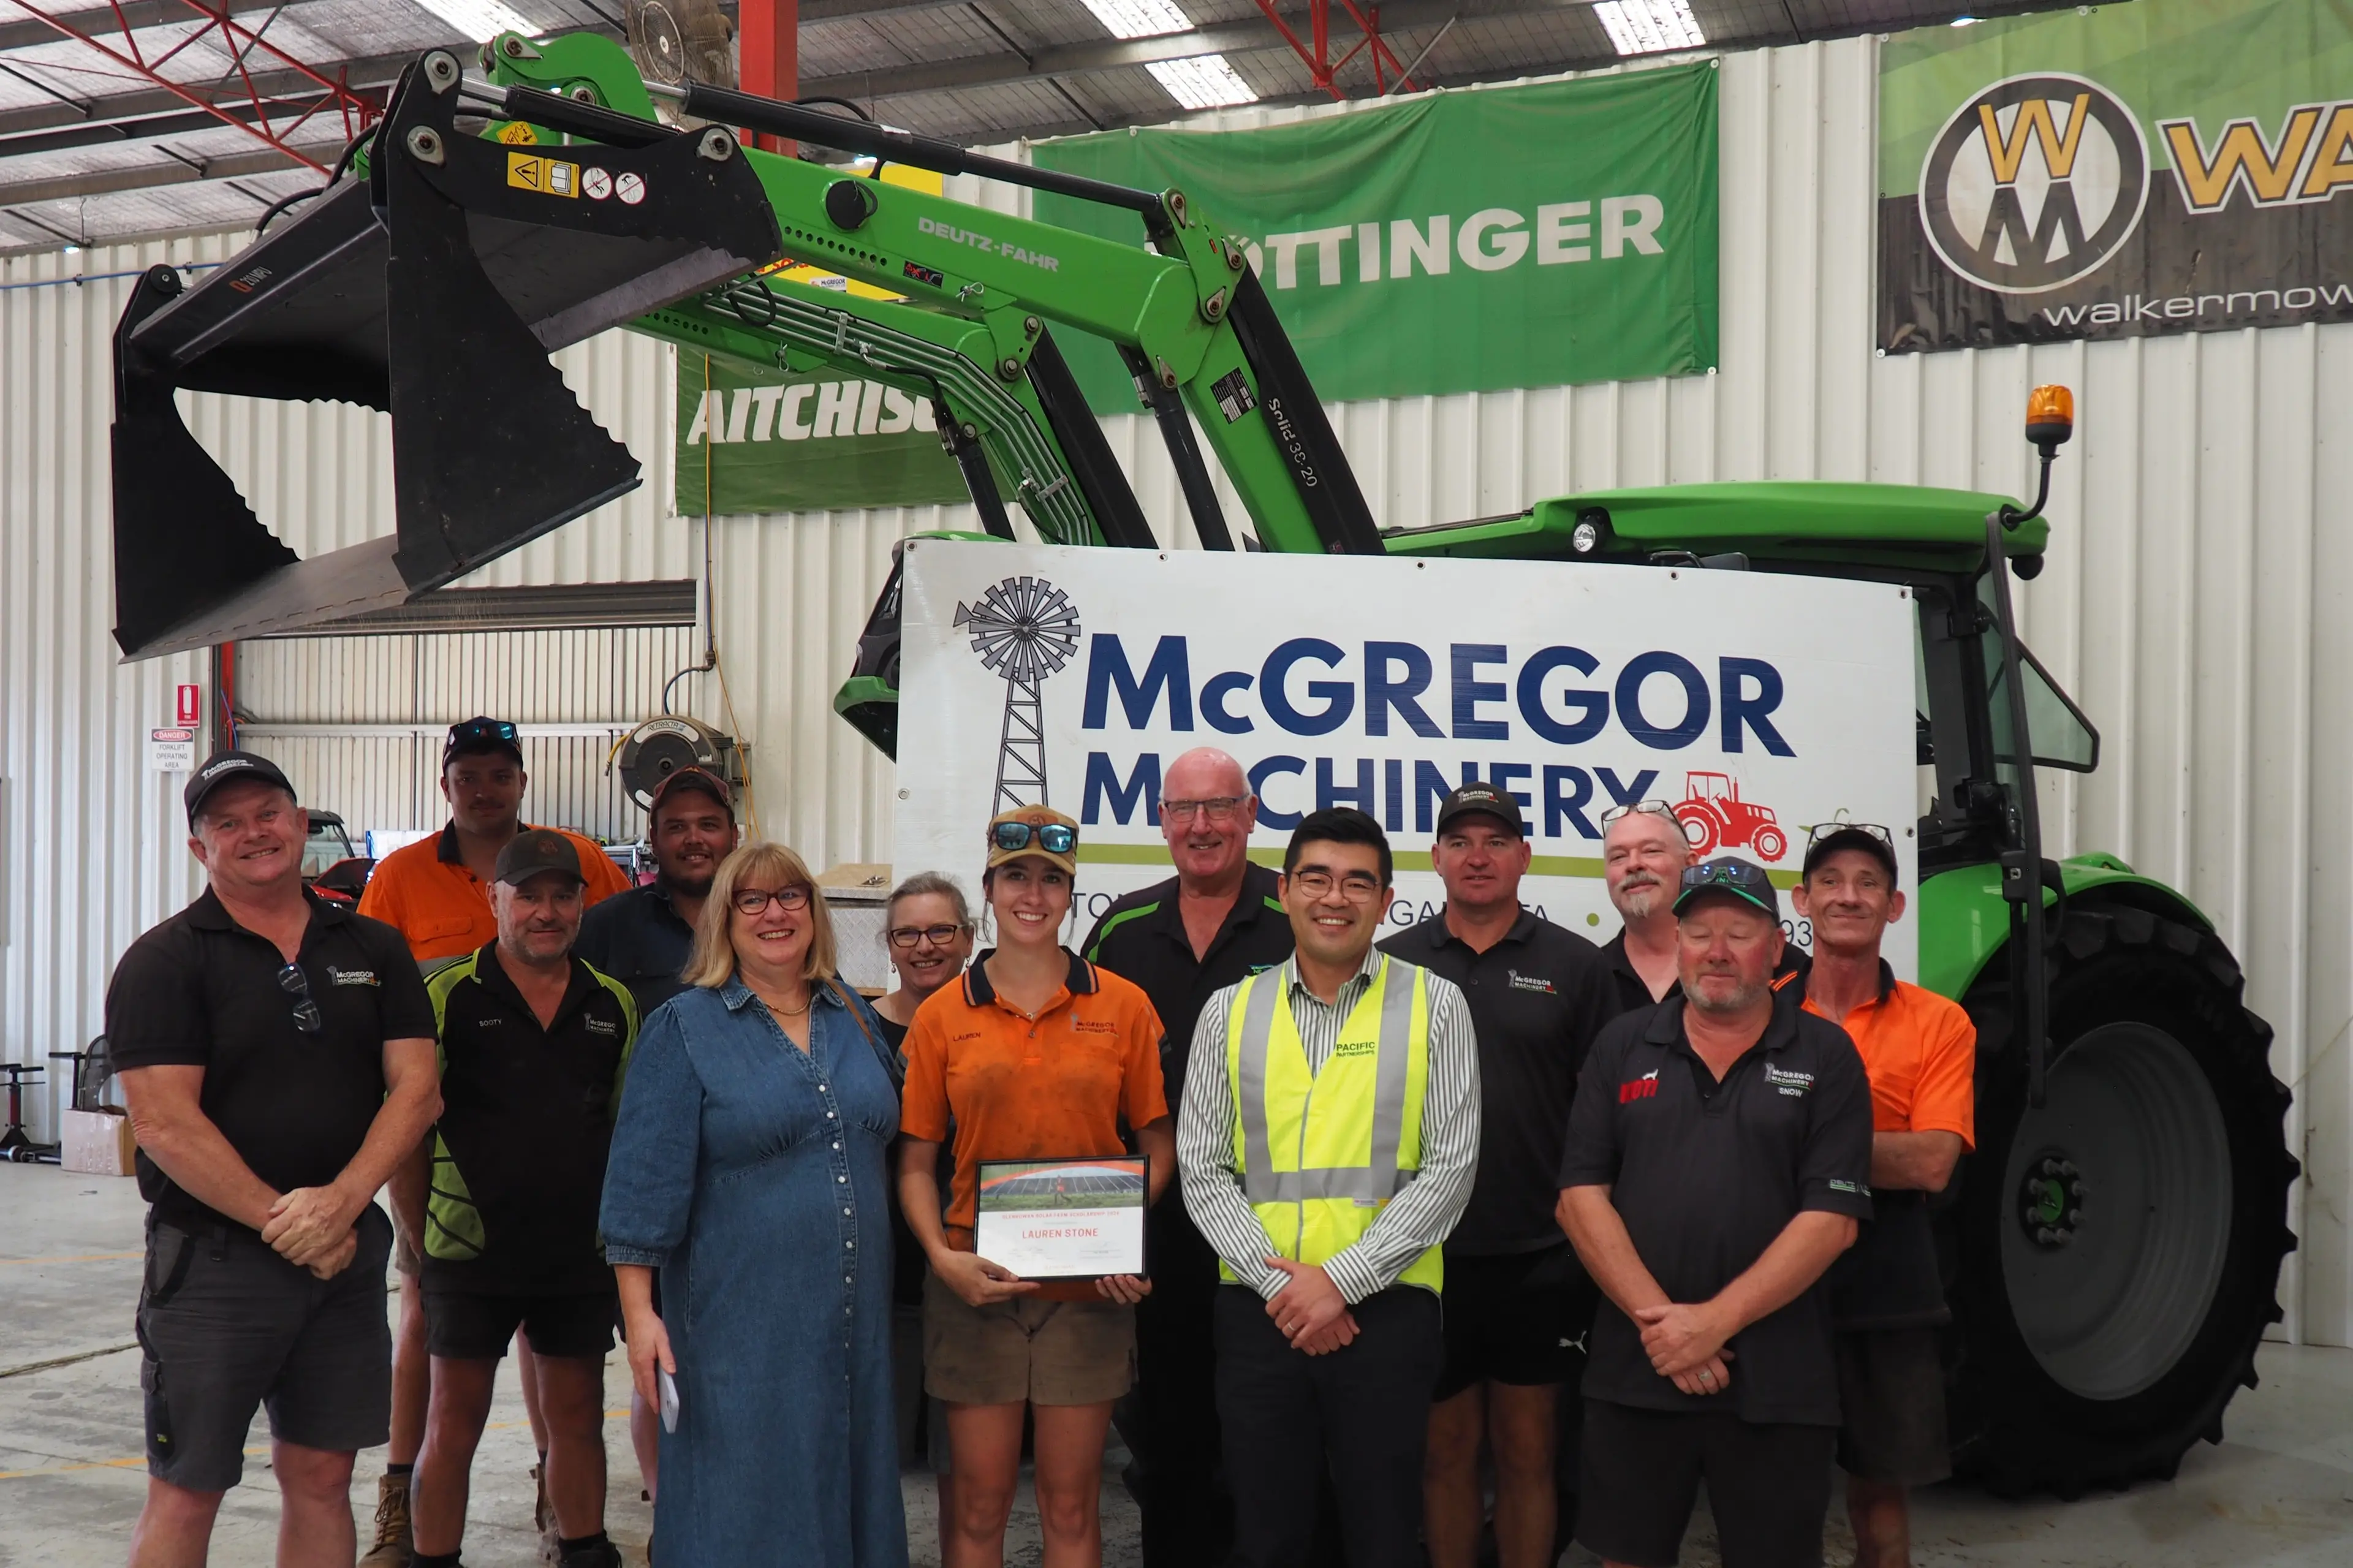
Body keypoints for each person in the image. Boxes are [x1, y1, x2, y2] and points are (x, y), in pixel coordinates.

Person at [107, 752, 441, 1568]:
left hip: (342, 1257)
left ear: (298, 822)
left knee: (324, 1474)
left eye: (268, 811)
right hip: (215, 1264)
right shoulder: (165, 961)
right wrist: (286, 1220)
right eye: (228, 822)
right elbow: (164, 1122)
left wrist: (343, 1202)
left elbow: (418, 1090)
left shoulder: (374, 945)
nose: (253, 832)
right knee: (188, 1485)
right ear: (200, 848)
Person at [357, 716, 631, 1566]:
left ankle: (582, 1544)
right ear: (494, 900)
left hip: (576, 1250)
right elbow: (408, 1121)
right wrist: (414, 1228)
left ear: (585, 900)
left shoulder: (615, 1002)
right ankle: (430, 1554)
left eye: (562, 895)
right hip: (467, 1247)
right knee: (454, 1419)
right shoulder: (443, 994)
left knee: (577, 1414)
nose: (546, 911)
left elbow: (629, 1131)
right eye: (528, 895)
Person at [1178, 806, 1480, 1568]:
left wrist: (1340, 1284)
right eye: (1315, 878)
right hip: (1261, 1314)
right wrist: (1291, 1293)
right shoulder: (1229, 1011)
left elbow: (1451, 1168)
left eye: (1357, 883)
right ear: (1283, 891)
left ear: (1386, 901)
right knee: (1267, 1534)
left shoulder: (1436, 1004)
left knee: (1382, 1534)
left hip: (1388, 1313)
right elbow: (1203, 1167)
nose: (1334, 898)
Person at [1556, 857, 1876, 1568]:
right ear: (1678, 942)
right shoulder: (1622, 1044)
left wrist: (1711, 1324)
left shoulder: (1826, 1054)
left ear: (1775, 947)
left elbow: (1833, 1219)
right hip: (1637, 1369)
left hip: (1777, 1379)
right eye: (1699, 932)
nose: (1718, 951)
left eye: (1739, 931)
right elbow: (1580, 1198)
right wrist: (1663, 1327)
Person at [600, 842, 908, 1568]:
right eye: (753, 900)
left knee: (848, 1486)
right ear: (725, 919)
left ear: (815, 910)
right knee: (741, 1504)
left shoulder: (853, 1014)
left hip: (855, 1329)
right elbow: (642, 1185)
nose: (776, 913)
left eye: (792, 896)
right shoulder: (685, 1028)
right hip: (740, 1331)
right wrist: (641, 1319)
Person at [898, 806, 1174, 1568]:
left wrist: (1118, 1232)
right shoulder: (942, 1017)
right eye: (1015, 875)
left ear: (1071, 893)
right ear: (989, 887)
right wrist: (942, 1257)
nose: (1033, 893)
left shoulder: (1122, 1006)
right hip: (973, 1288)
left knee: (1071, 1503)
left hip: (1087, 1297)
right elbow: (917, 1162)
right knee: (980, 1507)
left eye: (1052, 879)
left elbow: (1158, 1142)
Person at [1378, 783, 1616, 1568]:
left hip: (1540, 1256)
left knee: (1528, 1456)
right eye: (1461, 842)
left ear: (1524, 856)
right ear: (1435, 858)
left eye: (1495, 841)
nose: (1477, 857)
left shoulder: (1576, 967)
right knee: (1444, 1455)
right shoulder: (1393, 965)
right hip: (1424, 1254)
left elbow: (1605, 1113)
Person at [1080, 746, 1294, 1568]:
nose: (1201, 824)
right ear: (1162, 822)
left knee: (1269, 1433)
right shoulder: (1123, 928)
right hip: (1159, 1222)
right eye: (1183, 809)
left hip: (1272, 1220)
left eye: (1219, 806)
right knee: (1167, 1431)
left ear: (1249, 813)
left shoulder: (1295, 911)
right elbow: (1086, 1076)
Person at [1790, 827, 1976, 1568]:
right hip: (1777, 1286)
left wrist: (1792, 1147)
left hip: (1891, 1283)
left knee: (1881, 1499)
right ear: (1802, 901)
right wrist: (1871, 1151)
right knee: (1780, 1496)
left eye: (1868, 882)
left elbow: (1932, 1162)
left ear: (1895, 906)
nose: (1848, 895)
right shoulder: (1764, 1011)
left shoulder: (1940, 1022)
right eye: (1830, 880)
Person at [575, 764, 740, 1510]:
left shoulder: (763, 914)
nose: (694, 839)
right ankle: (670, 1513)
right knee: (659, 1355)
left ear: (733, 834)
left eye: (708, 823)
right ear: (654, 839)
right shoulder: (610, 927)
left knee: (737, 1356)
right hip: (644, 1180)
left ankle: (738, 1508)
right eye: (676, 826)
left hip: (746, 1178)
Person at [870, 871, 978, 1528]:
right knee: (873, 1464)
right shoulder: (853, 1029)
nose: (925, 946)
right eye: (907, 933)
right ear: (888, 945)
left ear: (969, 938)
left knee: (965, 1474)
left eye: (941, 930)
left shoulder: (995, 1026)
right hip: (882, 1283)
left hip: (971, 1281)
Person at [1596, 801, 1694, 1013]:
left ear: (1690, 865)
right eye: (1618, 857)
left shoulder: (1736, 966)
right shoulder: (1586, 976)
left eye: (1651, 851)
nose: (1633, 865)